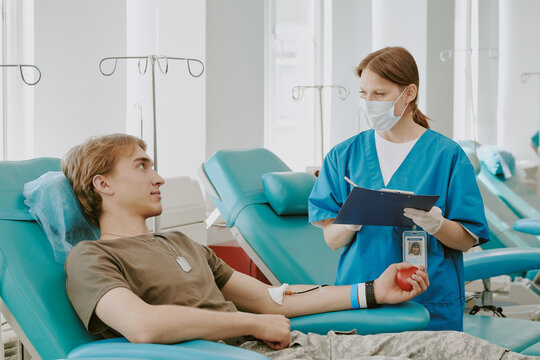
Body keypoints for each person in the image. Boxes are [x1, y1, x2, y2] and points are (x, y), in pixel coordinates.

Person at [62, 134, 524, 360]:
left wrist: (370, 292)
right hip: (246, 353)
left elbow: (271, 296)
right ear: (103, 184)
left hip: (292, 345)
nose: (159, 176)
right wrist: (254, 324)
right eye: (142, 166)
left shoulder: (180, 242)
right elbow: (141, 326)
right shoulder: (92, 258)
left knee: (459, 348)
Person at [308, 46, 490, 331]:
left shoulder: (447, 155)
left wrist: (437, 223)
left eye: (379, 94)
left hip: (429, 302)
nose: (369, 103)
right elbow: (332, 240)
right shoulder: (343, 155)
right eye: (363, 94)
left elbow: (467, 239)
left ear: (409, 93)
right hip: (362, 298)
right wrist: (355, 215)